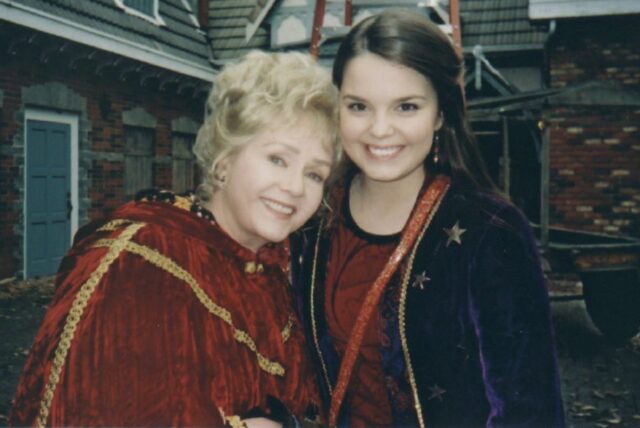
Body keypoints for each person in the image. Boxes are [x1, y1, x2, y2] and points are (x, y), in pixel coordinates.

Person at [10, 51, 339, 427]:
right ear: (224, 160)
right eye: (278, 159)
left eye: (315, 174)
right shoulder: (136, 262)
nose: (295, 187)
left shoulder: (276, 273)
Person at [291, 10, 565, 428]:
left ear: (440, 113)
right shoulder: (312, 219)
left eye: (406, 106)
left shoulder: (490, 232)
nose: (380, 130)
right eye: (359, 106)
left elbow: (530, 409)